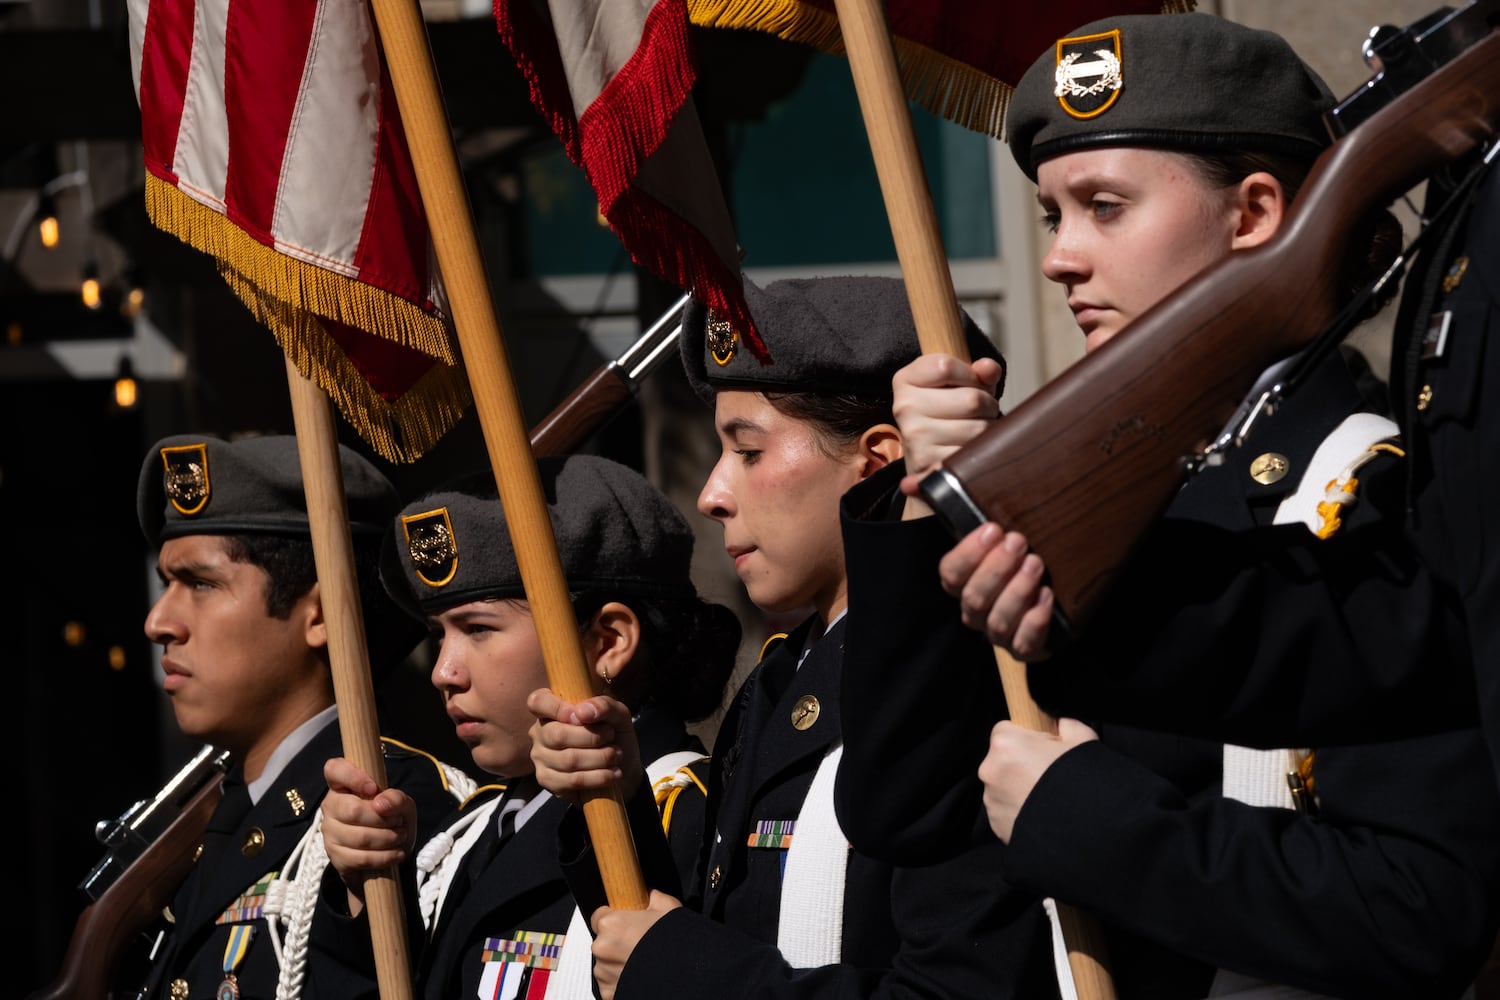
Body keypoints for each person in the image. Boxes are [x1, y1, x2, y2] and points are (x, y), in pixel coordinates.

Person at [833, 13, 1500, 999]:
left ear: (1258, 213)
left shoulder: (1355, 481)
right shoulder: (1111, 489)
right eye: (1055, 216)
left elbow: (1413, 906)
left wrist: (1090, 818)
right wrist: (932, 511)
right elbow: (907, 803)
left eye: (1105, 206)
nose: (1060, 257)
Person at [529, 276, 1062, 999]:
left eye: (747, 451)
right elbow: (714, 926)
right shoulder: (782, 677)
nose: (713, 494)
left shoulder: (978, 673)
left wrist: (685, 973)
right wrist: (614, 798)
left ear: (877, 462)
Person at [317, 454, 741, 998]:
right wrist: (370, 889)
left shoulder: (685, 814)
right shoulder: (469, 831)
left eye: (478, 628)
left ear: (608, 640)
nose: (444, 672)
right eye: (437, 635)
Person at [134, 433, 464, 1000]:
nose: (159, 621)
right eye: (168, 584)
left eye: (201, 584)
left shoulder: (398, 810)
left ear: (319, 613)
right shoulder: (210, 818)